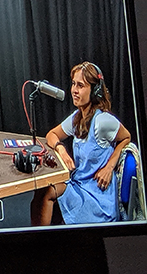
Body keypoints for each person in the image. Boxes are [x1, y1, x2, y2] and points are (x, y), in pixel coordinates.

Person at [31, 62, 131, 225]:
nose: (74, 90)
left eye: (81, 86)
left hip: (98, 197)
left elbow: (126, 137)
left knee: (47, 193)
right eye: (73, 84)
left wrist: (109, 166)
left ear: (94, 91)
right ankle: (38, 243)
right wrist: (61, 149)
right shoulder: (77, 118)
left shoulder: (103, 121)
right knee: (42, 191)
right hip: (79, 184)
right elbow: (52, 135)